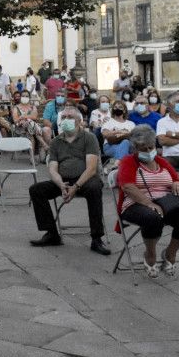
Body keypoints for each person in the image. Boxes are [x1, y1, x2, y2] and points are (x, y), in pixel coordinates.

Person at [115, 125, 179, 278]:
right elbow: (127, 186)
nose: (148, 151)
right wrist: (149, 203)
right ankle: (150, 254)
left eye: (150, 147)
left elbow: (176, 179)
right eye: (143, 148)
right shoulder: (128, 162)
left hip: (166, 203)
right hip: (135, 203)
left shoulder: (161, 161)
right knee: (152, 217)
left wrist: (176, 183)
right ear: (134, 149)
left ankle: (170, 253)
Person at [27, 108, 109, 254]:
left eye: (69, 116)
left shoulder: (88, 138)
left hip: (85, 180)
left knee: (95, 188)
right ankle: (52, 233)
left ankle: (96, 238)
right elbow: (52, 168)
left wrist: (76, 187)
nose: (66, 119)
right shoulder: (56, 142)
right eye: (63, 117)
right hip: (64, 180)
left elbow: (91, 168)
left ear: (79, 120)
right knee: (36, 189)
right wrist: (60, 184)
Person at [100, 101, 136, 168]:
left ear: (124, 110)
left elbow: (135, 136)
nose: (117, 109)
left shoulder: (131, 124)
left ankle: (118, 164)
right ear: (113, 109)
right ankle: (121, 165)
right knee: (125, 142)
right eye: (115, 107)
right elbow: (105, 134)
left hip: (129, 147)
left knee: (127, 144)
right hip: (110, 146)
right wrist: (120, 131)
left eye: (120, 107)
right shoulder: (108, 122)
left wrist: (122, 134)